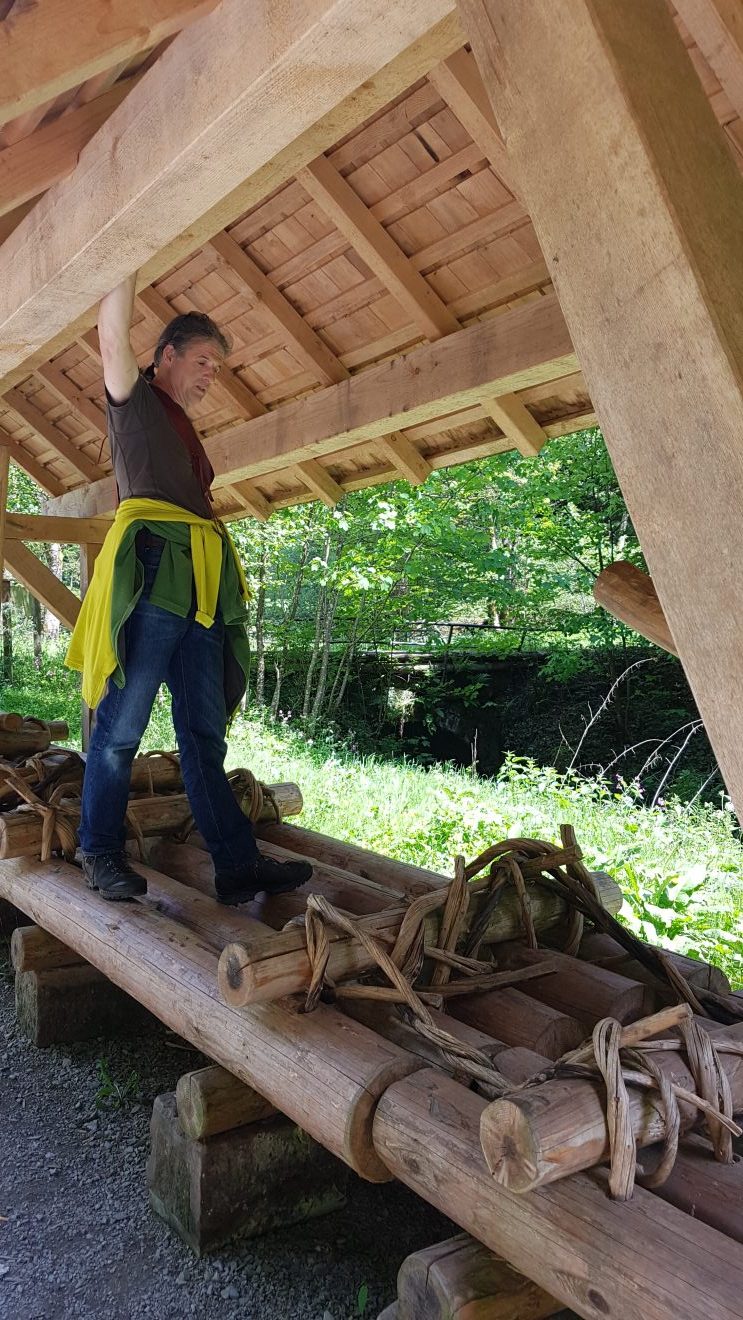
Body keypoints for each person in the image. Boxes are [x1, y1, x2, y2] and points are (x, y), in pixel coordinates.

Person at [66, 273, 312, 904]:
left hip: (199, 585)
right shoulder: (135, 403)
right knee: (121, 729)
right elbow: (111, 334)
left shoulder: (183, 428)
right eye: (204, 361)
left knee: (204, 733)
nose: (211, 375)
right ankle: (98, 852)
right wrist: (126, 248)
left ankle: (234, 865)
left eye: (218, 366)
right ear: (166, 357)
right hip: (151, 574)